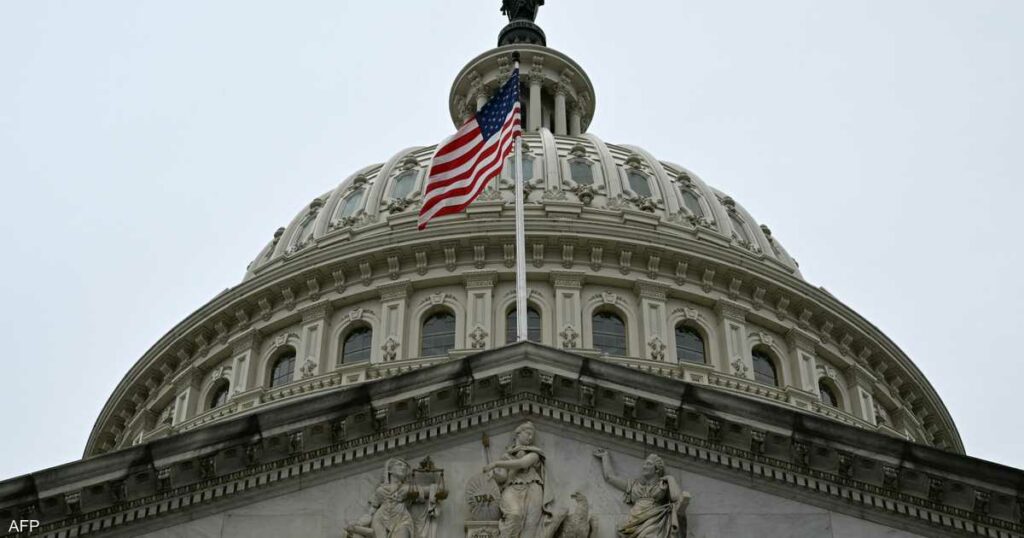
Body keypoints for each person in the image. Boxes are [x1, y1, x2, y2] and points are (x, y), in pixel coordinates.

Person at [593, 449, 690, 538]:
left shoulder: (663, 485)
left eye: (648, 464)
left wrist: (670, 479)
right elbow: (610, 478)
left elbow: (675, 498)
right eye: (644, 464)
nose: (644, 467)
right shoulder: (635, 486)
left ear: (656, 469)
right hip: (633, 522)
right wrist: (605, 457)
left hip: (654, 522)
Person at [483, 421, 552, 538]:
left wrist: (495, 464)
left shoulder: (535, 453)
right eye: (528, 433)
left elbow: (523, 463)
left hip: (532, 489)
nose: (530, 437)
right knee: (514, 514)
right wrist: (495, 474)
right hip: (512, 488)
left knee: (530, 527)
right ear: (518, 434)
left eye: (532, 435)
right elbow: (504, 477)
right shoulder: (506, 456)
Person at [346, 458, 440, 538]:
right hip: (380, 519)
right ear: (390, 470)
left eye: (404, 466)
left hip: (402, 519)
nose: (403, 467)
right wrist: (358, 523)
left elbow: (434, 490)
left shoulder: (408, 488)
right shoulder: (380, 490)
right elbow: (371, 512)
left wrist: (432, 480)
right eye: (399, 465)